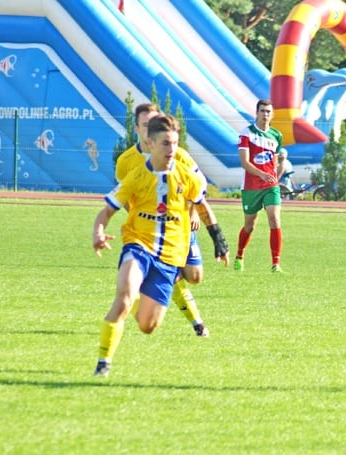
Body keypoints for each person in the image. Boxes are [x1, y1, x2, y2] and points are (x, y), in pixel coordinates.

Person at [92, 114, 208, 377]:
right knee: (123, 299)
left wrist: (214, 235)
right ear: (144, 135)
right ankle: (103, 363)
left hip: (176, 237)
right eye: (145, 125)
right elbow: (116, 204)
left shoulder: (182, 161)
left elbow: (199, 195)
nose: (171, 148)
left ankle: (145, 299)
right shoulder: (129, 164)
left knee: (188, 283)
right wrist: (99, 230)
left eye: (174, 142)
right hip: (139, 241)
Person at [115, 103, 230, 338]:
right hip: (147, 235)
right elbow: (125, 197)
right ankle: (196, 323)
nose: (151, 128)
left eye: (154, 123)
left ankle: (150, 293)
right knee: (168, 272)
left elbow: (198, 188)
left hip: (181, 226)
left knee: (194, 276)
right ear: (137, 128)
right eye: (146, 125)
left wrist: (195, 213)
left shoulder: (178, 155)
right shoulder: (126, 161)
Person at [235, 99, 285, 272]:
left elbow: (274, 160)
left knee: (274, 218)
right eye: (262, 111)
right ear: (256, 113)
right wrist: (262, 174)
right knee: (250, 225)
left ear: (272, 115)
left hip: (270, 186)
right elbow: (244, 162)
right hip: (251, 187)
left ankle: (275, 264)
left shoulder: (277, 135)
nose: (265, 114)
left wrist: (275, 175)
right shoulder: (246, 133)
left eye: (268, 111)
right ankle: (239, 256)